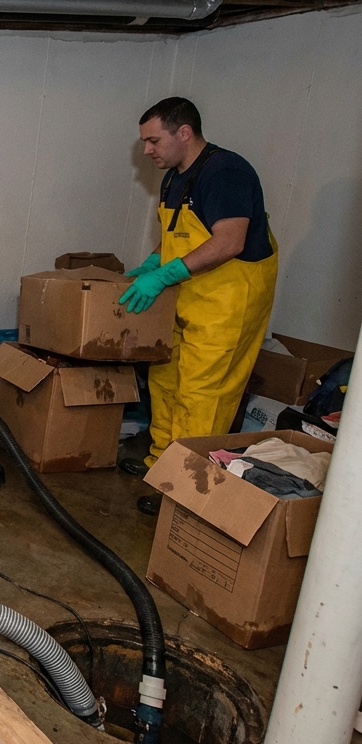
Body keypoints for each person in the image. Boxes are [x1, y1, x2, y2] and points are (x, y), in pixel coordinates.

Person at [118, 97, 278, 515]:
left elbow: (229, 241)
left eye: (153, 141)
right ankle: (161, 467)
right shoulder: (175, 177)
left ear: (183, 132)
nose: (147, 150)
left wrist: (166, 275)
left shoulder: (226, 172)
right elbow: (179, 235)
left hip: (228, 301)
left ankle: (186, 490)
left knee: (202, 395)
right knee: (166, 381)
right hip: (190, 295)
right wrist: (156, 261)